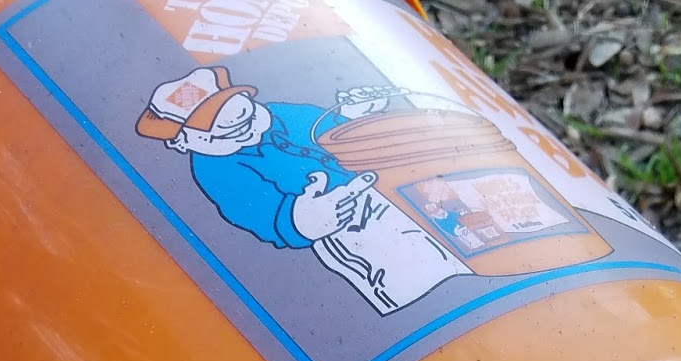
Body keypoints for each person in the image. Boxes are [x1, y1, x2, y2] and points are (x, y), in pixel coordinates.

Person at [135, 67, 467, 313]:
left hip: (387, 194)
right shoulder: (216, 171)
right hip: (346, 231)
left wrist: (351, 116)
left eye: (245, 114)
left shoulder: (275, 113)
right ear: (183, 141)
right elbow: (260, 214)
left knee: (459, 243)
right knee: (414, 278)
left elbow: (323, 127)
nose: (250, 128)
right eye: (230, 129)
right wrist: (303, 218)